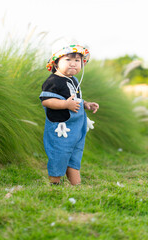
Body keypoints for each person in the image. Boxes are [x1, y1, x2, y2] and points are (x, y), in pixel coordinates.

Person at [39, 43, 99, 185]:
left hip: (76, 128)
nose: (73, 64)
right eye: (68, 60)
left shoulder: (73, 80)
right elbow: (46, 101)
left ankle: (76, 184)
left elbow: (75, 99)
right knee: (59, 154)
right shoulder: (53, 81)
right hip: (61, 128)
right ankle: (55, 182)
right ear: (56, 62)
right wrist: (65, 104)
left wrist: (85, 104)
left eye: (77, 61)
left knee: (74, 154)